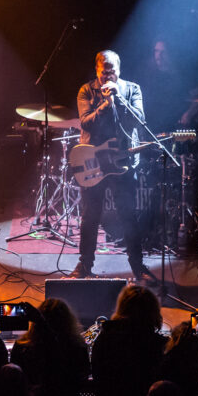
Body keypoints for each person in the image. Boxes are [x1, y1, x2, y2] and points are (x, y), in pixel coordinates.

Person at [72, 50, 155, 283]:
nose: (107, 77)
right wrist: (105, 105)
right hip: (95, 162)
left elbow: (139, 120)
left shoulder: (132, 89)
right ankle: (84, 264)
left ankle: (138, 267)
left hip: (123, 162)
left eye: (112, 72)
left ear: (119, 70)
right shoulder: (86, 90)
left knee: (128, 215)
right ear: (97, 70)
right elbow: (86, 122)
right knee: (90, 216)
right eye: (103, 72)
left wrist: (120, 99)